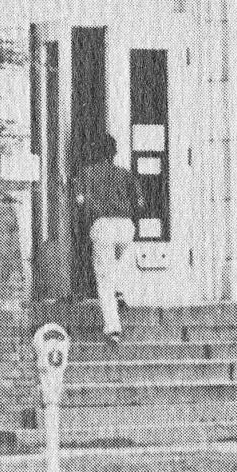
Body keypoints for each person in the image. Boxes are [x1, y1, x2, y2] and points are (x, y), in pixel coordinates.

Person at [73, 132, 140, 342]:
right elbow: (139, 203)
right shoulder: (126, 174)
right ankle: (120, 291)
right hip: (126, 226)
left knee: (104, 278)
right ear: (114, 153)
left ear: (93, 152)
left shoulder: (86, 173)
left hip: (103, 225)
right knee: (116, 263)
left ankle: (113, 327)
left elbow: (80, 202)